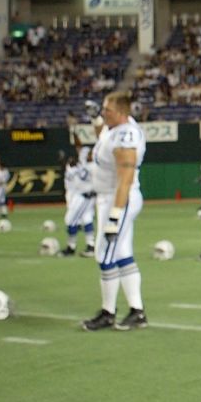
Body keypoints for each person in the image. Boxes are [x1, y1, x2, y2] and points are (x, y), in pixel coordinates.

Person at [81, 91, 148, 331]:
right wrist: (96, 121)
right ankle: (137, 311)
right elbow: (104, 139)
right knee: (122, 254)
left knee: (104, 254)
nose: (103, 113)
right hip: (111, 197)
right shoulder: (116, 128)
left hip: (119, 198)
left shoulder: (126, 137)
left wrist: (115, 215)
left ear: (120, 112)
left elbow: (126, 178)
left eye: (106, 110)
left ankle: (108, 312)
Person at [61, 132, 97, 258]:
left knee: (70, 220)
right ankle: (91, 246)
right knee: (87, 219)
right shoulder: (84, 160)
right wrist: (75, 137)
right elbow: (80, 148)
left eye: (91, 153)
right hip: (82, 195)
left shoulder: (95, 166)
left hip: (85, 196)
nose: (88, 154)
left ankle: (71, 247)